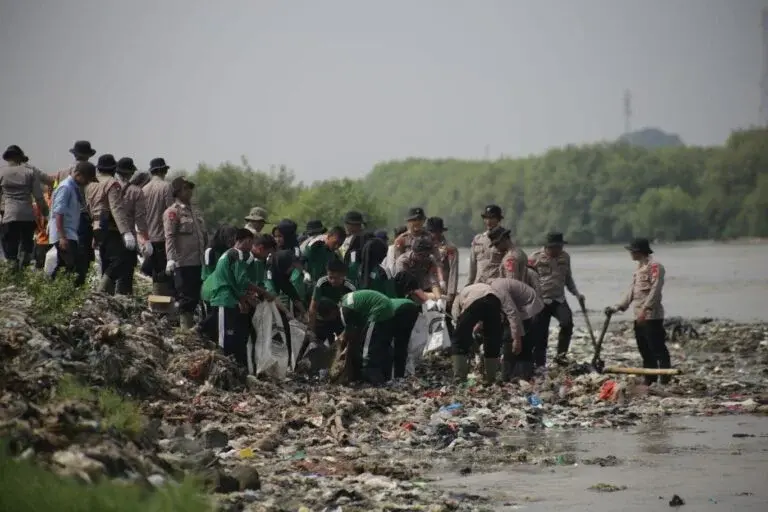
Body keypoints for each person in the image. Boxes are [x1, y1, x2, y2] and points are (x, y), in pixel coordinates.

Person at [605, 238, 671, 385]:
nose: (630, 254)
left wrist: (645, 310)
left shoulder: (655, 267)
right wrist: (617, 307)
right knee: (644, 349)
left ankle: (665, 377)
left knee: (657, 347)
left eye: (632, 251)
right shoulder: (639, 268)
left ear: (638, 252)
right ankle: (650, 378)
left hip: (651, 316)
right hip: (638, 315)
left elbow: (655, 290)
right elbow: (632, 291)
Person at [200, 228, 256, 367]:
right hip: (223, 298)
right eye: (250, 242)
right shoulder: (236, 254)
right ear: (245, 241)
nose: (251, 247)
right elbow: (239, 280)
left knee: (228, 333)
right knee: (223, 336)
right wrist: (245, 299)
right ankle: (221, 364)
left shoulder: (230, 254)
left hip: (229, 298)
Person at [527, 232, 584, 365]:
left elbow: (568, 278)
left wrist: (576, 293)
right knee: (540, 334)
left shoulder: (565, 257)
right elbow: (526, 280)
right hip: (540, 300)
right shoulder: (534, 258)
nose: (558, 250)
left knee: (567, 323)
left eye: (560, 247)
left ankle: (561, 357)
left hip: (558, 299)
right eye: (554, 247)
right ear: (547, 247)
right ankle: (540, 363)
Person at [163, 176, 207, 329]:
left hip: (197, 261)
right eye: (186, 188)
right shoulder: (173, 212)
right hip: (183, 262)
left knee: (194, 297)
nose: (189, 192)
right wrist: (170, 258)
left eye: (190, 188)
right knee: (185, 298)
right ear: (177, 191)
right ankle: (184, 330)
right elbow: (169, 236)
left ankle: (188, 328)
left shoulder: (194, 212)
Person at [0, 145, 49, 270]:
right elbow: (38, 196)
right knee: (26, 246)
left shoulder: (2, 172)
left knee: (11, 245)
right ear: (20, 157)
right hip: (27, 215)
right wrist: (45, 212)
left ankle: (13, 271)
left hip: (9, 216)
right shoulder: (30, 172)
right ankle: (23, 267)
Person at [489, 277, 545, 382]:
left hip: (530, 308)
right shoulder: (493, 288)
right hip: (523, 307)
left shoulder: (499, 291)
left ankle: (513, 377)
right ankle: (517, 375)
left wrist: (516, 339)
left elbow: (512, 314)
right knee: (515, 340)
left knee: (516, 342)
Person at [49, 162, 96, 278]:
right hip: (64, 234)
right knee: (71, 266)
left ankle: (56, 290)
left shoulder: (73, 187)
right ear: (78, 174)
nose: (87, 182)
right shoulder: (66, 187)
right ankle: (57, 289)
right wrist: (62, 237)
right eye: (87, 179)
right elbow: (58, 213)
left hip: (69, 233)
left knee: (65, 265)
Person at [338, 289, 396, 384]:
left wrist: (343, 350)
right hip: (388, 309)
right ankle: (386, 378)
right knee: (383, 346)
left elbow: (349, 335)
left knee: (367, 349)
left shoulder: (344, 309)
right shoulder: (354, 302)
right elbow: (356, 332)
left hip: (378, 310)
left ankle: (370, 378)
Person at [114, 157, 151, 295]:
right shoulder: (136, 191)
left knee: (110, 268)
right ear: (130, 173)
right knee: (126, 270)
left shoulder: (108, 187)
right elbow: (140, 220)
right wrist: (146, 239)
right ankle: (123, 298)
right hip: (128, 236)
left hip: (110, 234)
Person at [142, 158, 175, 296]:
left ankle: (157, 304)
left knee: (156, 272)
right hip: (163, 237)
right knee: (164, 275)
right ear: (163, 171)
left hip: (149, 238)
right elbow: (171, 212)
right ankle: (162, 307)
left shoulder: (144, 189)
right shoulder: (166, 187)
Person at [307, 257, 356, 345]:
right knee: (313, 342)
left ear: (343, 275)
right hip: (323, 319)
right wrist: (310, 330)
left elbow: (353, 315)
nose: (333, 281)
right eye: (330, 277)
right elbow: (313, 308)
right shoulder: (321, 283)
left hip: (340, 319)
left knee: (343, 344)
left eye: (336, 278)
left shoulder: (350, 288)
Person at [389, 271, 428, 379]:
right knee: (401, 346)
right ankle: (399, 376)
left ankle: (393, 375)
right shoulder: (408, 304)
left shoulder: (391, 289)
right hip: (403, 314)